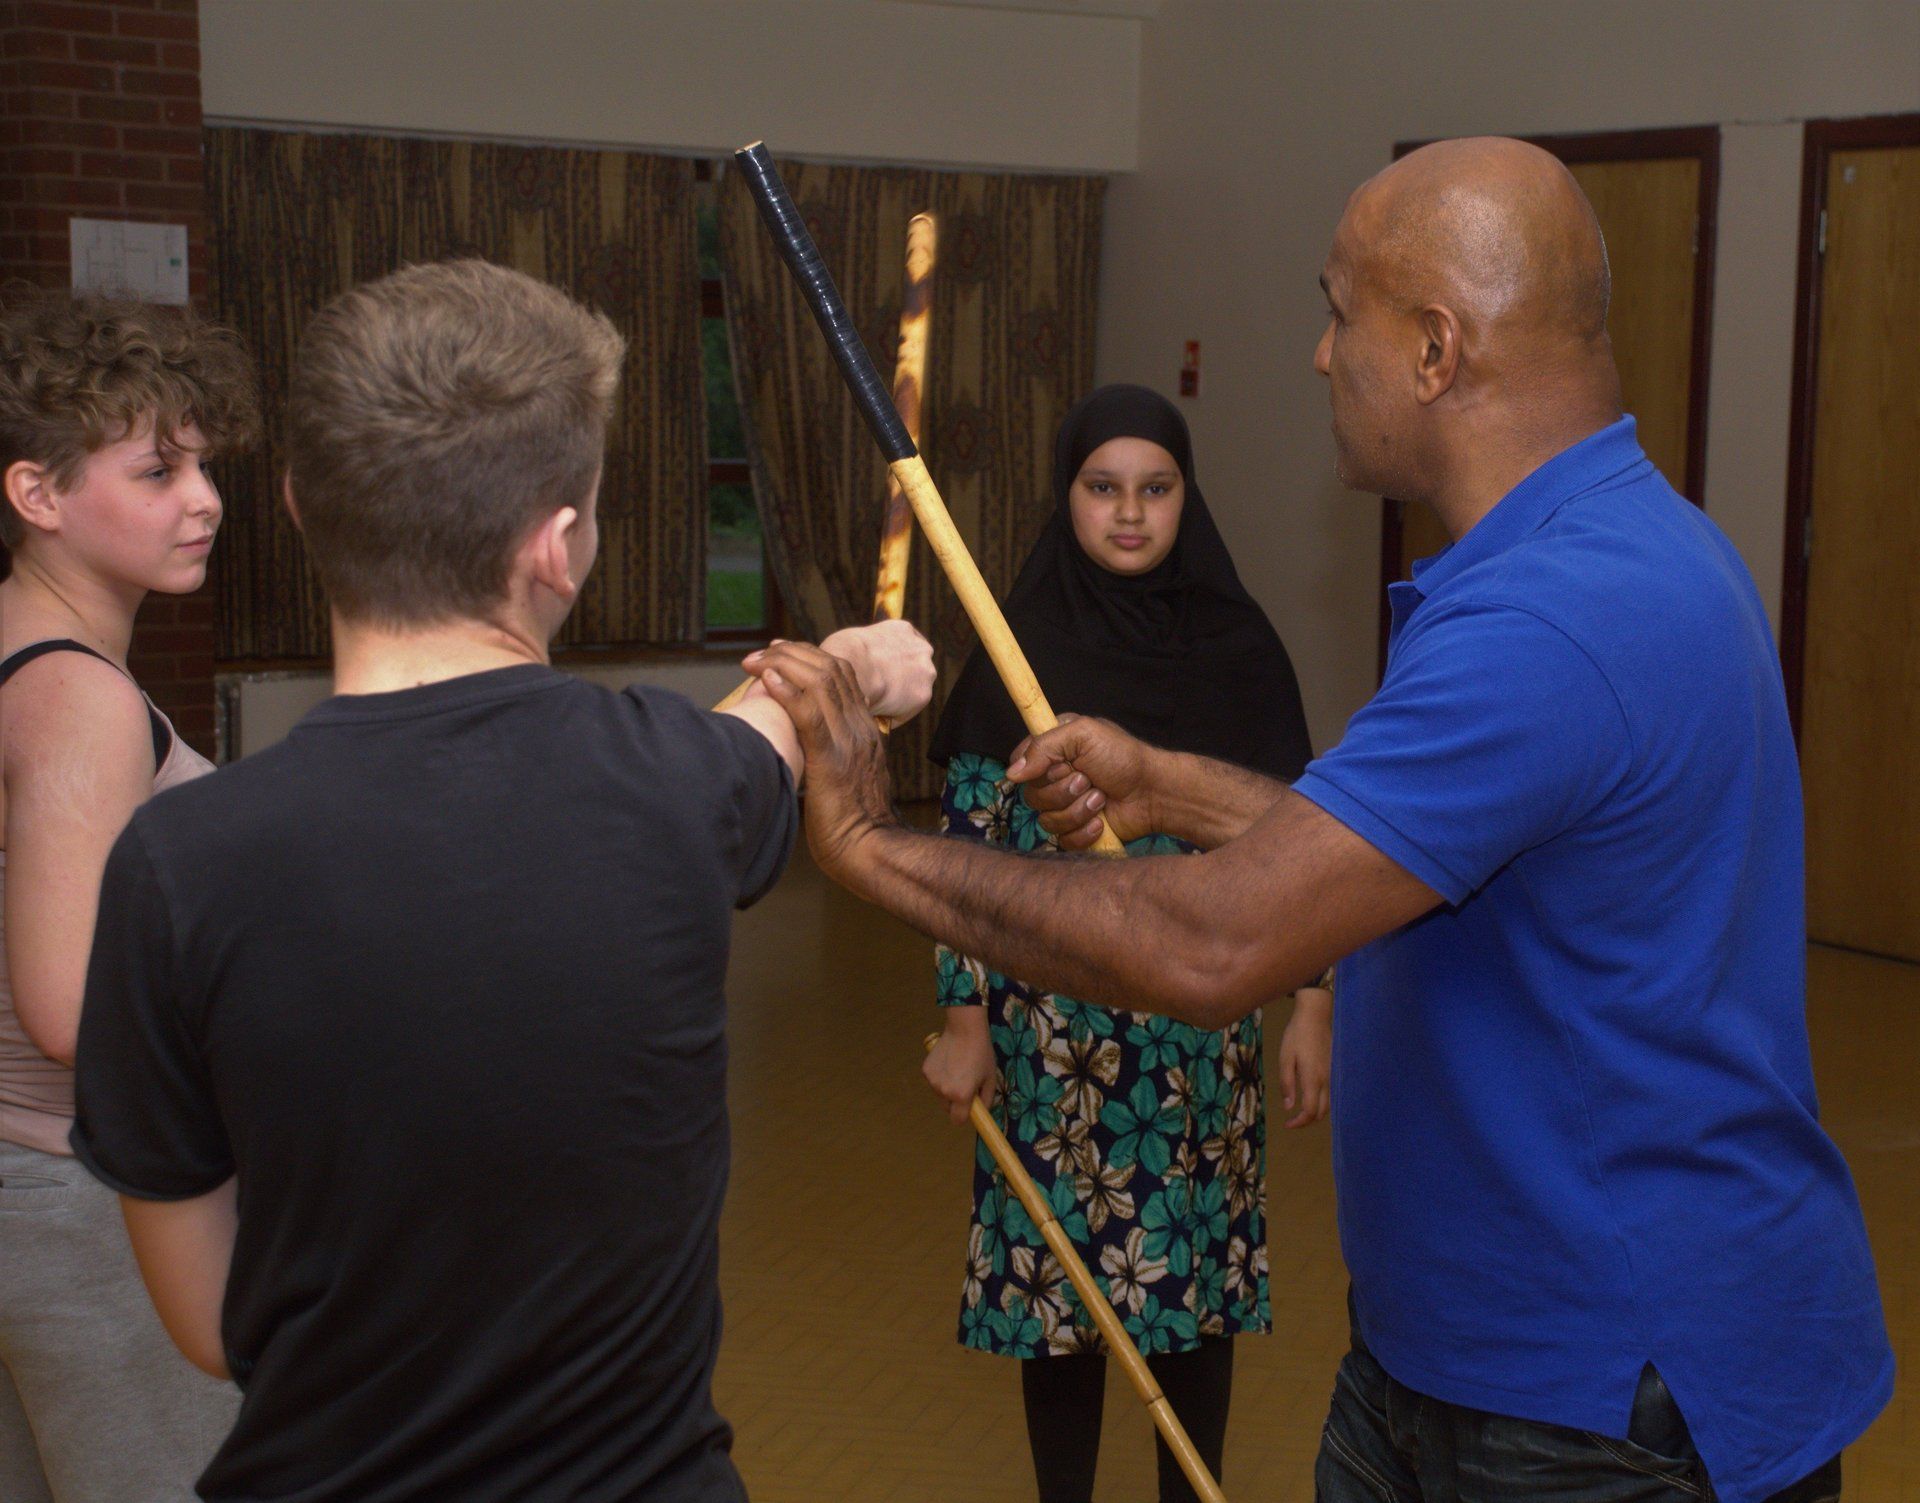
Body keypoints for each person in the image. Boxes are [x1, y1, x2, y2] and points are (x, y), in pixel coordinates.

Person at [744, 138, 1892, 1503]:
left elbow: (1210, 944)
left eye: (1341, 313)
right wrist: (1165, 785)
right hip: (1456, 1350)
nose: (1319, 353)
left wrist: (873, 846)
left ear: (1435, 349)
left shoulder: (1552, 621)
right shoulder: (1615, 546)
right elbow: (1405, 849)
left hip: (1600, 1386)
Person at [67, 259, 935, 1502]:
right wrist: (868, 662)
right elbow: (777, 723)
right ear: (559, 548)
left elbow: (213, 1326)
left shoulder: (175, 865)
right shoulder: (678, 782)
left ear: (302, 506)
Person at [921, 383, 1325, 1503]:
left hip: (1196, 1029)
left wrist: (1316, 1001)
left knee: (1188, 1288)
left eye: (1157, 488)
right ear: (1069, 496)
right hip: (1050, 1038)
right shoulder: (1018, 646)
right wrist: (963, 1021)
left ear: (1189, 498)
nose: (1131, 513)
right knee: (1062, 1292)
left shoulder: (1240, 645)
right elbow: (963, 856)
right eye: (1104, 488)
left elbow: (1303, 844)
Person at [0, 286, 251, 1502]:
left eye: (204, 465)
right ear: (36, 494)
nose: (204, 500)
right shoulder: (78, 698)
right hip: (77, 1200)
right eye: (158, 471)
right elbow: (68, 1008)